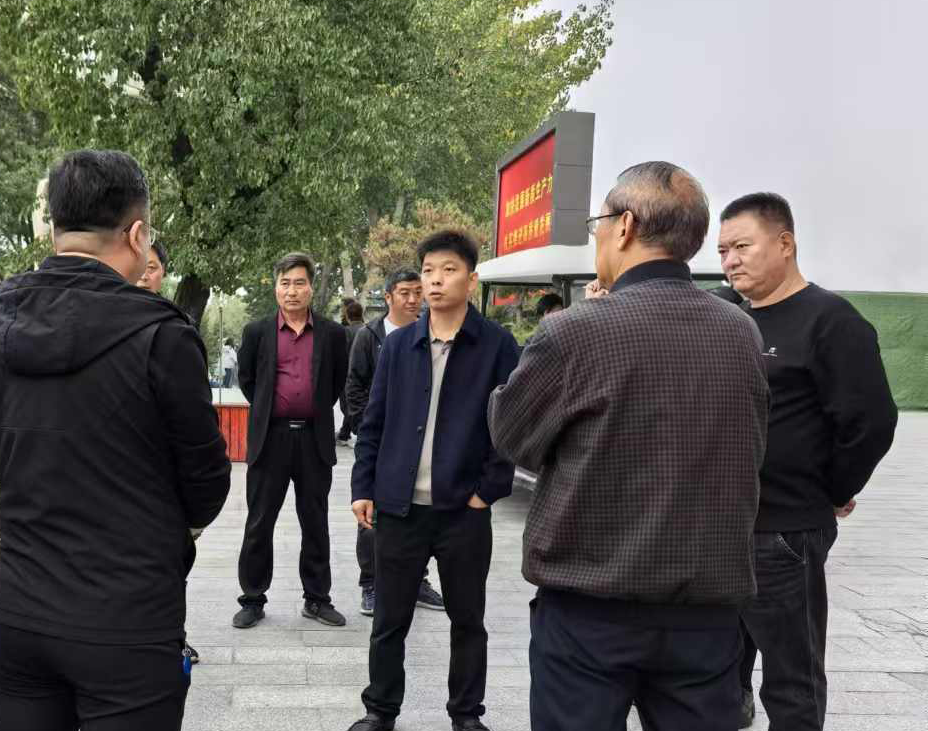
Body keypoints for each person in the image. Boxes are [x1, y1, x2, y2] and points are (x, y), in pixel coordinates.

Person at [489, 162, 771, 731]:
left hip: (591, 612)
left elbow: (511, 435)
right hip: (706, 614)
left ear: (624, 227)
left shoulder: (574, 331)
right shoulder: (740, 331)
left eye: (598, 224)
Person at [0, 149, 230, 731]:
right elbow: (207, 482)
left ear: (55, 230)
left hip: (21, 607)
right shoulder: (162, 335)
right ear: (137, 235)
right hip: (128, 617)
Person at [719, 193, 898, 730]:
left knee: (791, 681)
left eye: (742, 246)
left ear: (785, 243)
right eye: (723, 250)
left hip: (784, 532)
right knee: (716, 672)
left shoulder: (831, 321)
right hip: (720, 530)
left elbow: (870, 422)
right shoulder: (733, 319)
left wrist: (834, 490)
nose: (730, 261)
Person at [346, 231, 518, 731]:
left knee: (468, 622)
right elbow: (374, 421)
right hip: (399, 508)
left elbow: (511, 426)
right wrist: (363, 487)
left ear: (471, 279)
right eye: (428, 271)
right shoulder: (399, 345)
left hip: (463, 510)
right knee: (389, 621)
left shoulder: (496, 346)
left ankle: (466, 715)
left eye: (448, 269)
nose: (436, 280)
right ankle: (380, 711)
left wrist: (487, 492)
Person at [232, 252, 349, 629]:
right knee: (259, 521)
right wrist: (272, 408)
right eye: (285, 283)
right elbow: (248, 381)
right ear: (275, 288)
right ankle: (252, 599)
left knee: (315, 521)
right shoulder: (256, 332)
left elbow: (337, 381)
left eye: (299, 283)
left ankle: (317, 598)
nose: (292, 291)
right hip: (271, 439)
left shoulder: (333, 334)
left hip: (314, 440)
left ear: (311, 287)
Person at [345, 268, 444, 617]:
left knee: (419, 511)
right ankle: (371, 582)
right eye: (404, 292)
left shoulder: (433, 332)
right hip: (381, 442)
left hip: (422, 444)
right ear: (388, 297)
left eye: (418, 291)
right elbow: (354, 388)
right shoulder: (369, 336)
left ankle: (418, 580)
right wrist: (368, 429)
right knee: (371, 513)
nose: (413, 299)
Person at [133, 237, 204, 668]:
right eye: (141, 265)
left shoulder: (176, 330)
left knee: (173, 565)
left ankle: (174, 637)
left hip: (165, 473)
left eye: (154, 267)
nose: (145, 274)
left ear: (163, 274)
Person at [336, 299, 366, 446]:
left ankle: (349, 433)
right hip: (366, 375)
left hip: (347, 375)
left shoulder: (345, 332)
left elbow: (340, 355)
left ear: (348, 316)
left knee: (347, 406)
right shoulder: (368, 330)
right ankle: (345, 433)